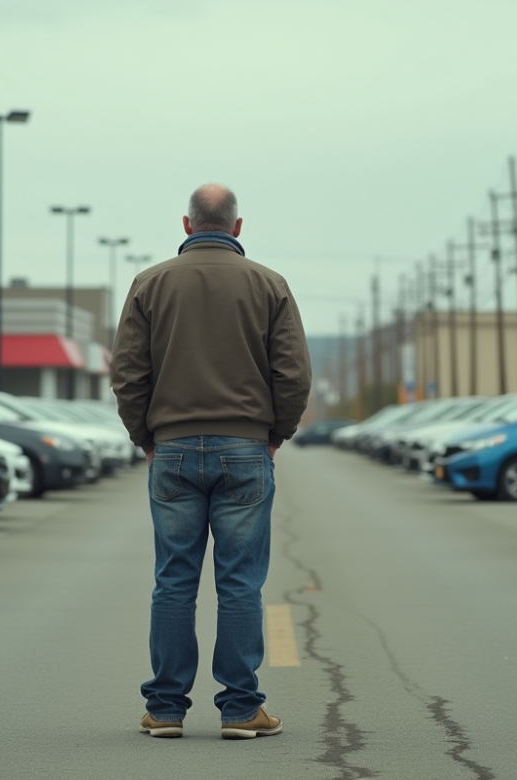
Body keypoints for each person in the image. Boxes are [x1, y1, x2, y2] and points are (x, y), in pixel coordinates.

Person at [110, 183, 311, 740]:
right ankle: (242, 710)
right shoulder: (270, 285)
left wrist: (146, 438)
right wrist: (274, 436)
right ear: (238, 227)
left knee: (173, 581)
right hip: (244, 448)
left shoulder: (149, 284)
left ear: (186, 224)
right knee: (240, 583)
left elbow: (127, 374)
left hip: (172, 450)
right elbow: (293, 373)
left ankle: (166, 710)